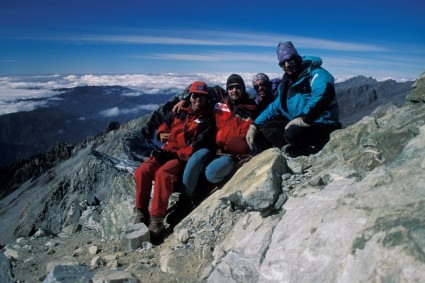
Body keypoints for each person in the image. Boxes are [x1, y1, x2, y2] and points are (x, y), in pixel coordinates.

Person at [133, 81, 215, 238]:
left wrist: (174, 142)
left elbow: (196, 144)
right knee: (141, 171)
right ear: (190, 97)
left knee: (163, 174)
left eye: (202, 97)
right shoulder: (180, 111)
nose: (198, 100)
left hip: (179, 157)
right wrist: (160, 134)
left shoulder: (207, 120)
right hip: (165, 151)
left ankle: (156, 218)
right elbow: (165, 124)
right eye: (195, 96)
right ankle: (141, 212)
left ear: (207, 99)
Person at [246, 41, 341, 157]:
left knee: (292, 133)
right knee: (268, 126)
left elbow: (323, 95)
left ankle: (304, 153)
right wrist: (255, 125)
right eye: (282, 63)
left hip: (321, 123)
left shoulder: (316, 73)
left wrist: (306, 119)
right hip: (298, 122)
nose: (287, 65)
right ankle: (288, 149)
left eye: (290, 60)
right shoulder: (286, 84)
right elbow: (274, 107)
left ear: (297, 58)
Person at [182, 74, 257, 203]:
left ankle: (204, 190)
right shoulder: (218, 104)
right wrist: (184, 100)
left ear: (243, 88)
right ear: (227, 90)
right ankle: (186, 198)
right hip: (213, 148)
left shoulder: (253, 109)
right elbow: (199, 100)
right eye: (231, 87)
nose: (234, 90)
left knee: (211, 174)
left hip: (233, 155)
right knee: (194, 161)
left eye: (238, 87)